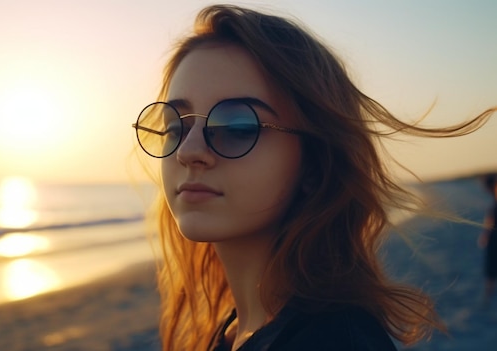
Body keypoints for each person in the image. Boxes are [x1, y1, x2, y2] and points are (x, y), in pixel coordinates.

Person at [132, 4, 495, 351]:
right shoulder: (236, 330)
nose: (188, 150)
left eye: (237, 125)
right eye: (174, 127)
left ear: (314, 164)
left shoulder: (334, 341)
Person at [479, 174, 497, 306]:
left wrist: (484, 236)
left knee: (491, 270)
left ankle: (487, 297)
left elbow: (490, 220)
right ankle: (487, 296)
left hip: (494, 240)